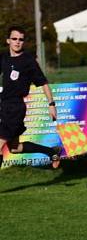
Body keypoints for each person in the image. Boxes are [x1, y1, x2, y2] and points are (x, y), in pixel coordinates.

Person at [0, 26, 61, 169]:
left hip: (15, 108)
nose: (17, 42)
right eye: (14, 39)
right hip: (4, 105)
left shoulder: (28, 61)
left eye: (21, 39)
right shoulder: (3, 58)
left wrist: (51, 104)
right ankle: (52, 152)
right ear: (8, 40)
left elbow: (43, 83)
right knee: (15, 148)